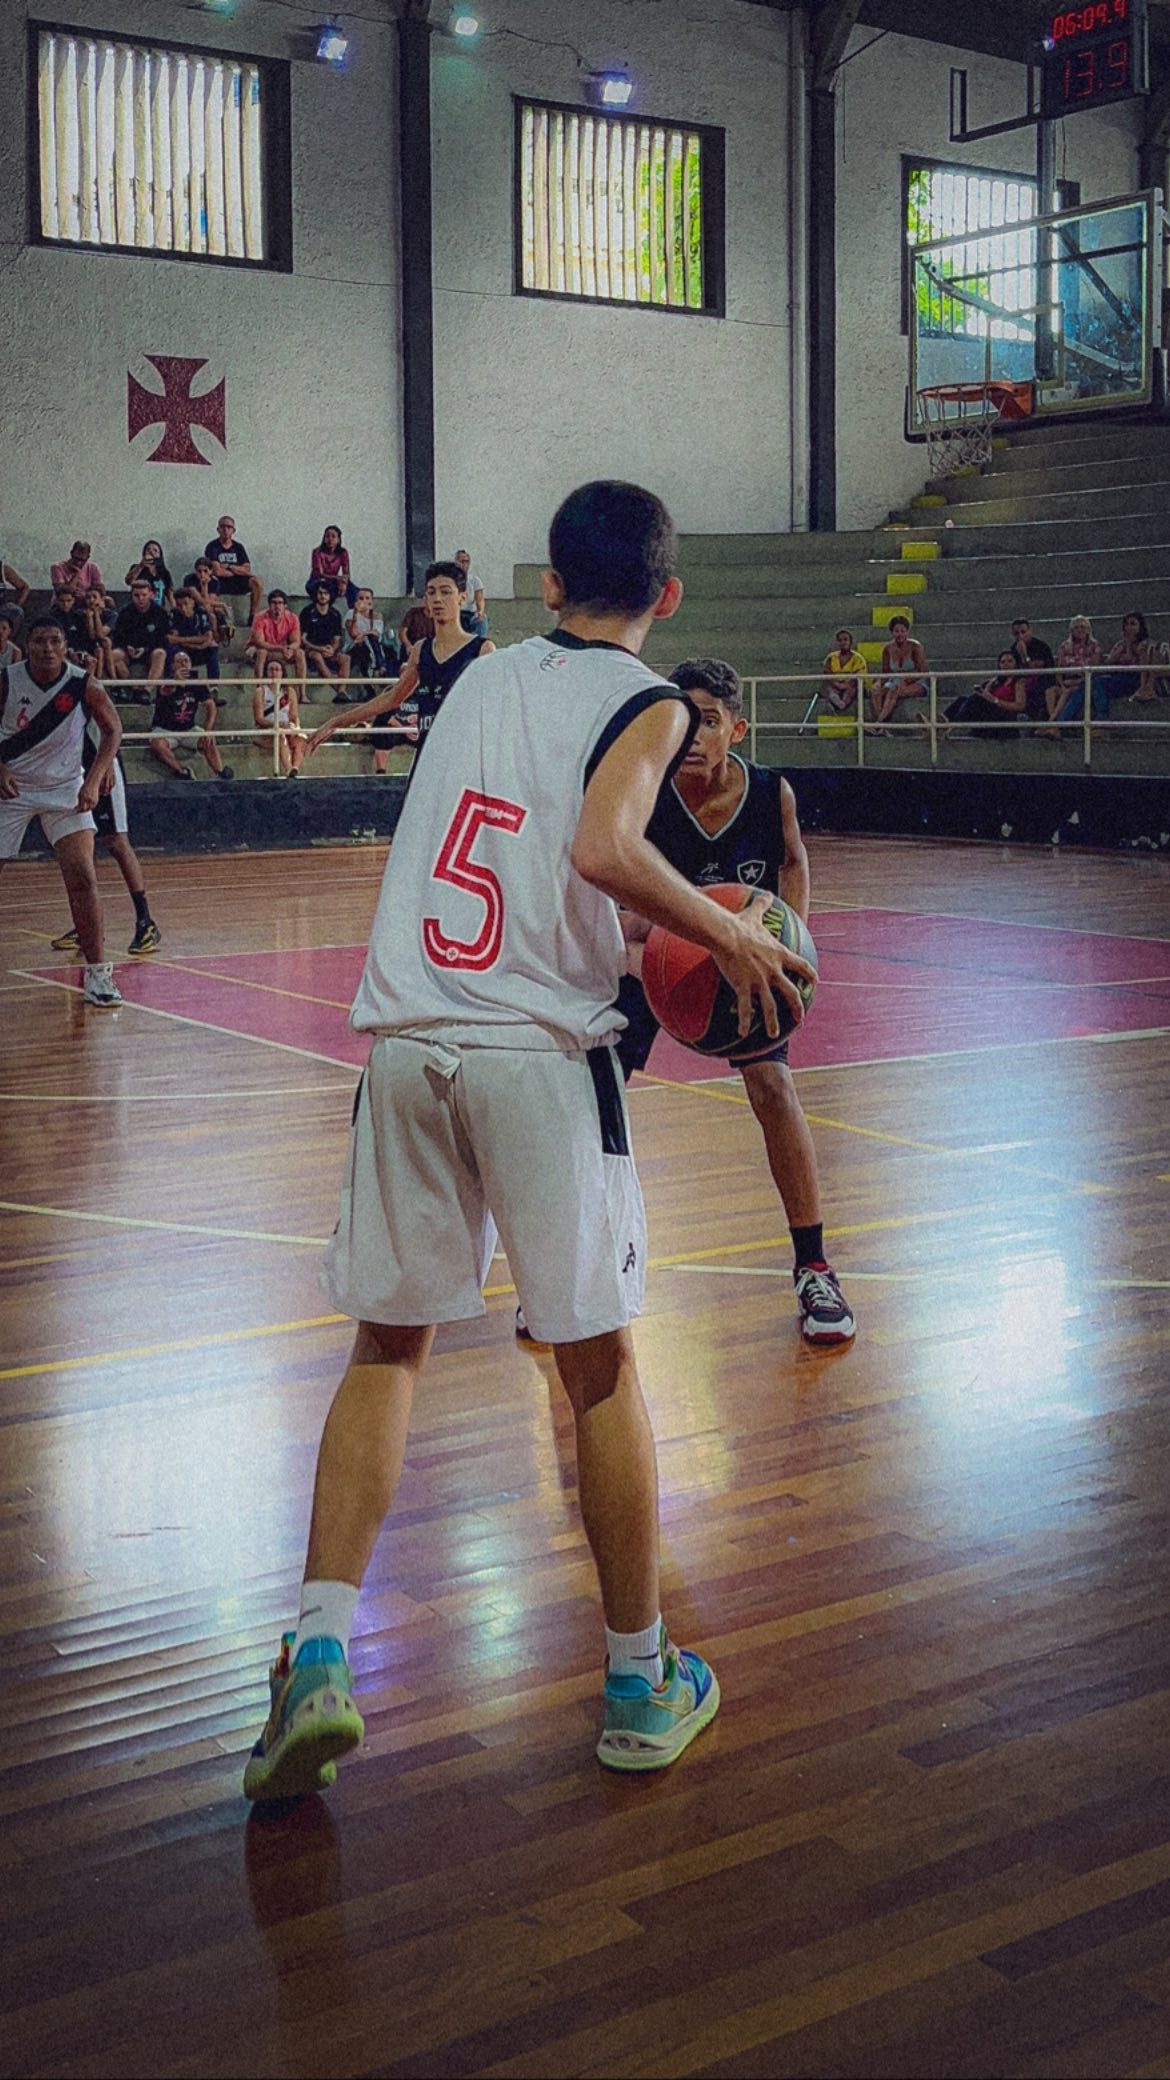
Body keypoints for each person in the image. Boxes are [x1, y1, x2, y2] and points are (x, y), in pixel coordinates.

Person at [242, 478, 814, 1803]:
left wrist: (626, 927)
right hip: (534, 1058)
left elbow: (527, 866)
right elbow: (606, 845)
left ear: (543, 586)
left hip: (405, 1040)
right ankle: (636, 1679)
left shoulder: (478, 677)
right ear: (666, 598)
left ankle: (319, 1652)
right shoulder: (657, 698)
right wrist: (726, 929)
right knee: (599, 1371)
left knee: (385, 1349)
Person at [612, 657, 855, 1348]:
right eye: (682, 719)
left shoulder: (771, 792)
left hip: (744, 967)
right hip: (648, 959)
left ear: (736, 729)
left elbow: (793, 860)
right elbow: (617, 914)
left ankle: (814, 1268)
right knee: (594, 1094)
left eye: (708, 721)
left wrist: (793, 948)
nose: (692, 734)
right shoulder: (640, 794)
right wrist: (650, 953)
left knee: (774, 1085)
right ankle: (584, 1270)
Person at [0, 618, 123, 1006]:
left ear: (66, 645)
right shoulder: (6, 680)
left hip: (64, 787)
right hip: (13, 788)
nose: (48, 648)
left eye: (56, 640)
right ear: (26, 645)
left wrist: (95, 777)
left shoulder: (84, 683)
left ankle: (99, 975)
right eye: (40, 641)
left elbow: (113, 730)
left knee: (83, 878)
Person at [305, 562, 493, 770]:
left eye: (446, 592)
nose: (438, 599)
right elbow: (393, 698)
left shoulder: (482, 649)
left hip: (467, 761)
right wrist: (336, 722)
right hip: (428, 760)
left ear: (462, 597)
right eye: (432, 592)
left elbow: (497, 713)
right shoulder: (422, 650)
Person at [51, 715, 161, 956]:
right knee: (79, 843)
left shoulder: (84, 686)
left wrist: (107, 764)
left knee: (116, 841)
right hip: (74, 772)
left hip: (100, 768)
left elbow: (108, 726)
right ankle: (87, 925)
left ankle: (146, 923)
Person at [148, 652, 234, 781]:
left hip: (189, 728)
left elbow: (211, 706)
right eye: (179, 661)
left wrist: (208, 729)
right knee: (157, 744)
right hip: (164, 729)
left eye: (186, 661)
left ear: (191, 665)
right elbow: (166, 691)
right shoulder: (165, 681)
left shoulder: (197, 683)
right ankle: (182, 771)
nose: (183, 663)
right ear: (172, 666)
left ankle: (220, 772)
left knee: (209, 740)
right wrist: (176, 681)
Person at [944, 652, 1028, 736]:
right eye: (1003, 662)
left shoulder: (1019, 682)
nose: (1006, 664)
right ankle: (943, 721)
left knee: (975, 699)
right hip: (991, 711)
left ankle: (957, 725)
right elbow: (986, 697)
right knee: (962, 699)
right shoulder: (997, 681)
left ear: (1016, 663)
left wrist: (996, 700)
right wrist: (987, 688)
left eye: (1010, 661)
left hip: (1004, 714)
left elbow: (1020, 706)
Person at [870, 616, 929, 728]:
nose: (900, 634)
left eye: (903, 631)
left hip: (917, 681)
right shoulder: (887, 648)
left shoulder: (915, 646)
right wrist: (878, 684)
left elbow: (923, 670)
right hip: (894, 680)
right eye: (896, 631)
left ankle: (878, 725)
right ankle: (880, 723)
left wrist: (908, 680)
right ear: (892, 632)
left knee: (894, 690)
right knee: (876, 691)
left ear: (907, 632)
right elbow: (885, 671)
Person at [1049, 615, 1105, 729]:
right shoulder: (1065, 646)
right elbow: (1058, 669)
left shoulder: (1094, 646)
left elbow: (1096, 668)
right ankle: (1052, 722)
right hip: (1067, 681)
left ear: (1088, 630)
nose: (1080, 630)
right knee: (1050, 692)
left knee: (1066, 693)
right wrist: (1061, 685)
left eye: (1083, 627)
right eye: (1077, 627)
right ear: (1071, 630)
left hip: (1084, 682)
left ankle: (1052, 724)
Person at [110, 578, 170, 687]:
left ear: (151, 594)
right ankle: (131, 687)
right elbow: (118, 636)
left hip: (150, 651)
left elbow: (163, 639)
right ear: (131, 596)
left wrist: (146, 649)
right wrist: (127, 646)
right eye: (136, 595)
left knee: (160, 653)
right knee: (114, 655)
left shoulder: (160, 613)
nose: (140, 599)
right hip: (129, 651)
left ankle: (147, 690)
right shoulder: (124, 613)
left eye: (144, 595)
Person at [253, 657, 306, 776]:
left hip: (286, 727)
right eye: (271, 669)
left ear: (282, 673)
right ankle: (288, 769)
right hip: (267, 730)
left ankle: (295, 768)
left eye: (277, 669)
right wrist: (279, 725)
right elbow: (259, 719)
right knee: (281, 737)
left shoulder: (290, 691)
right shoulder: (261, 691)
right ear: (266, 672)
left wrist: (294, 727)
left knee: (300, 739)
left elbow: (294, 716)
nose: (274, 672)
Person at [203, 516, 263, 621]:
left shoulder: (238, 547)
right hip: (219, 583)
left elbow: (247, 569)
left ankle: (253, 616)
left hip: (237, 583)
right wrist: (237, 570)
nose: (226, 530)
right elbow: (217, 571)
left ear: (233, 530)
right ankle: (216, 619)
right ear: (218, 529)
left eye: (229, 527)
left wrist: (229, 566)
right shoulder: (212, 546)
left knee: (257, 581)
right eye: (223, 527)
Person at [299, 583, 350, 691]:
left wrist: (332, 649)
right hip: (312, 650)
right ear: (316, 594)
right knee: (317, 656)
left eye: (326, 593)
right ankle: (337, 689)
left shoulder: (335, 614)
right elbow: (303, 639)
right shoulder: (307, 612)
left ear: (330, 595)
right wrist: (319, 648)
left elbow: (337, 638)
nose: (323, 596)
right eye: (320, 593)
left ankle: (342, 690)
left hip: (329, 650)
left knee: (346, 659)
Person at [1100, 612, 1158, 707]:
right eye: (1126, 624)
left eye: (1133, 624)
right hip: (1117, 676)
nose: (1129, 627)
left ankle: (1101, 717)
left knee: (1097, 684)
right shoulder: (1120, 644)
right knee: (1089, 686)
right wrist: (1122, 647)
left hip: (1135, 678)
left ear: (1140, 627)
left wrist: (1128, 645)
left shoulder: (1145, 644)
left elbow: (1130, 661)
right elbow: (1108, 662)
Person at [249, 589, 306, 686]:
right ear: (269, 605)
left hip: (281, 650)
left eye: (280, 603)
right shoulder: (259, 617)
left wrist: (290, 649)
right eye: (274, 603)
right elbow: (259, 642)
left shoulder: (292, 618)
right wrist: (281, 648)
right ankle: (260, 689)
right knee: (261, 652)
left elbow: (296, 641)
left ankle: (303, 694)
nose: (277, 606)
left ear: (285, 606)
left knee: (300, 653)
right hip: (260, 650)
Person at [1008, 617, 1058, 722]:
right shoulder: (1013, 649)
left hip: (1044, 680)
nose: (1020, 636)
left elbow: (1043, 668)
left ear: (1030, 631)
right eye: (1017, 633)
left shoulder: (1041, 646)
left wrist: (1024, 655)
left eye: (1023, 632)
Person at [168, 587, 221, 681]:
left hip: (197, 649)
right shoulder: (174, 614)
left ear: (192, 602)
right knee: (176, 652)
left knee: (212, 649)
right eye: (179, 605)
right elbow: (172, 638)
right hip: (183, 649)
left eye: (185, 604)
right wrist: (196, 640)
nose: (183, 608)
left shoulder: (200, 613)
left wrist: (187, 642)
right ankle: (178, 683)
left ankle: (214, 685)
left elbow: (207, 637)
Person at [183, 559, 235, 650]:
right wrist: (222, 604)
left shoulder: (215, 581)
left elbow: (209, 601)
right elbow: (200, 601)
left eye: (205, 571)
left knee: (215, 614)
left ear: (210, 571)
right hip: (191, 607)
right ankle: (213, 638)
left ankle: (217, 638)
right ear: (195, 571)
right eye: (199, 571)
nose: (202, 574)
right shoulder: (189, 579)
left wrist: (205, 586)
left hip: (207, 608)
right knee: (212, 615)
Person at [820, 628, 868, 713]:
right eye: (840, 640)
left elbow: (859, 675)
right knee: (829, 690)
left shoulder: (858, 658)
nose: (843, 642)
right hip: (835, 685)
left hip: (851, 686)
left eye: (845, 640)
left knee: (851, 690)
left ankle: (840, 706)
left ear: (851, 642)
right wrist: (836, 684)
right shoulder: (831, 657)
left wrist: (846, 685)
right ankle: (837, 702)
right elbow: (826, 671)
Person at [47, 584, 93, 668]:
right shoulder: (51, 618)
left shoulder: (78, 616)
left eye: (68, 601)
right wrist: (69, 651)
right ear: (57, 600)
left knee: (91, 661)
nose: (65, 604)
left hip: (79, 650)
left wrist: (81, 652)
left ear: (73, 600)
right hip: (60, 651)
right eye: (62, 601)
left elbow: (84, 638)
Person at [306, 525, 354, 606]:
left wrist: (344, 583)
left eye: (333, 536)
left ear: (338, 539)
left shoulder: (343, 552)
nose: (330, 539)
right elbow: (320, 574)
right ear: (324, 538)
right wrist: (338, 579)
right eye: (327, 536)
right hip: (317, 580)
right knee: (326, 590)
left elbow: (346, 573)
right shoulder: (317, 552)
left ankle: (354, 613)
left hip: (334, 581)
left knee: (354, 591)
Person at [83, 587, 116, 681]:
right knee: (99, 651)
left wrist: (97, 614)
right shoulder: (81, 614)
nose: (91, 600)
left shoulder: (111, 615)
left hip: (107, 645)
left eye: (94, 597)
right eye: (88, 598)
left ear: (101, 599)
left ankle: (114, 680)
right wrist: (89, 618)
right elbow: (92, 636)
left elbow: (101, 634)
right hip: (88, 644)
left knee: (106, 641)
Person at [454, 548, 488, 637]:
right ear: (456, 563)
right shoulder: (451, 580)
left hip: (470, 614)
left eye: (467, 561)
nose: (464, 564)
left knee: (482, 620)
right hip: (456, 614)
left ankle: (481, 644)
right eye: (461, 561)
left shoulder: (474, 580)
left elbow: (480, 599)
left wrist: (480, 612)